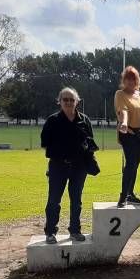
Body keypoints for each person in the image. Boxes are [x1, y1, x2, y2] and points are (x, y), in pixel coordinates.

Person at [40, 87, 95, 244]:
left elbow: (90, 142)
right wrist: (60, 150)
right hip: (58, 166)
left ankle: (75, 230)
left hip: (79, 167)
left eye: (72, 100)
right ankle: (50, 232)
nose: (69, 102)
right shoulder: (53, 121)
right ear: (60, 101)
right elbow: (45, 143)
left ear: (77, 101)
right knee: (54, 201)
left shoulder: (85, 120)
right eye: (66, 99)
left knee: (76, 200)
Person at [115, 66, 140, 208]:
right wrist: (123, 123)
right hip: (128, 133)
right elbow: (123, 111)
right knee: (130, 164)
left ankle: (130, 193)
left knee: (135, 165)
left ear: (137, 80)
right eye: (127, 79)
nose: (130, 81)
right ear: (124, 80)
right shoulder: (120, 94)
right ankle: (123, 196)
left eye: (133, 78)